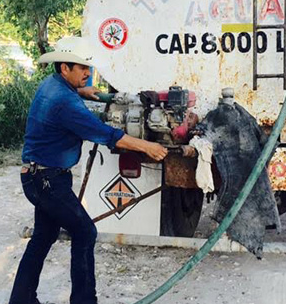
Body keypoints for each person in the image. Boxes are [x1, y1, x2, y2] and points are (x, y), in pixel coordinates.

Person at [9, 36, 168, 304]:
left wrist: (81, 91)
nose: (87, 73)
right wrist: (147, 146)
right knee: (85, 232)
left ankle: (21, 299)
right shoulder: (65, 103)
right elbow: (106, 134)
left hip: (37, 176)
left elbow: (66, 97)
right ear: (65, 68)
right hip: (47, 181)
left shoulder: (51, 85)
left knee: (44, 236)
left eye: (88, 67)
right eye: (81, 68)